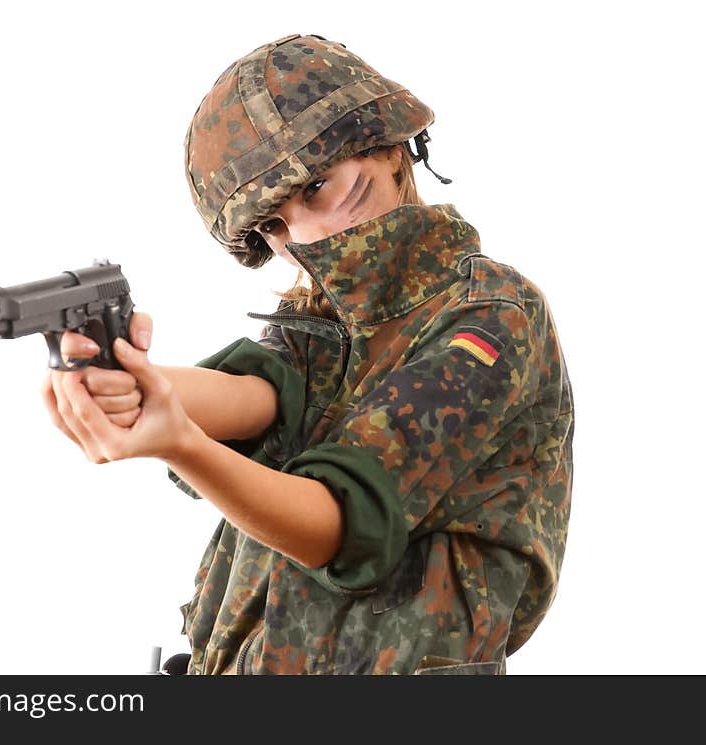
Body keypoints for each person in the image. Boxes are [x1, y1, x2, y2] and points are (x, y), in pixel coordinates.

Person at [42, 34, 574, 675]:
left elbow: (338, 521)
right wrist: (132, 380)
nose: (305, 235)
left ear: (389, 147)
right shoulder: (325, 324)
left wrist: (179, 441)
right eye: (274, 224)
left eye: (318, 187)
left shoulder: (488, 317)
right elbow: (259, 397)